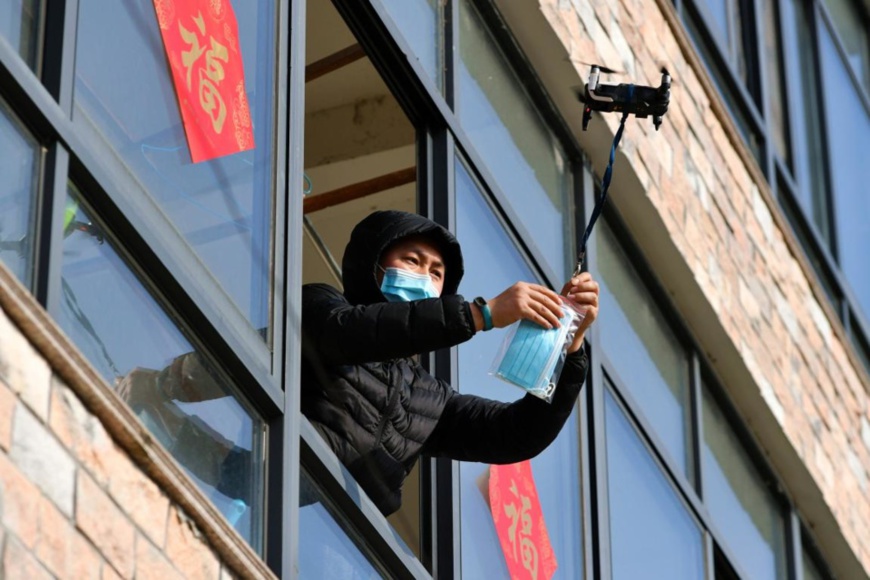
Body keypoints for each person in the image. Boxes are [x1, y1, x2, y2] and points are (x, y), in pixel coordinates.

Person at [302, 210, 599, 516]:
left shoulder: (428, 399)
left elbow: (516, 435)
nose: (423, 277)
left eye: (435, 273)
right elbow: (347, 334)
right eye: (412, 261)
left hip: (335, 542)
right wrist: (480, 315)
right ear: (373, 262)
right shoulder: (319, 304)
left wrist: (568, 344)